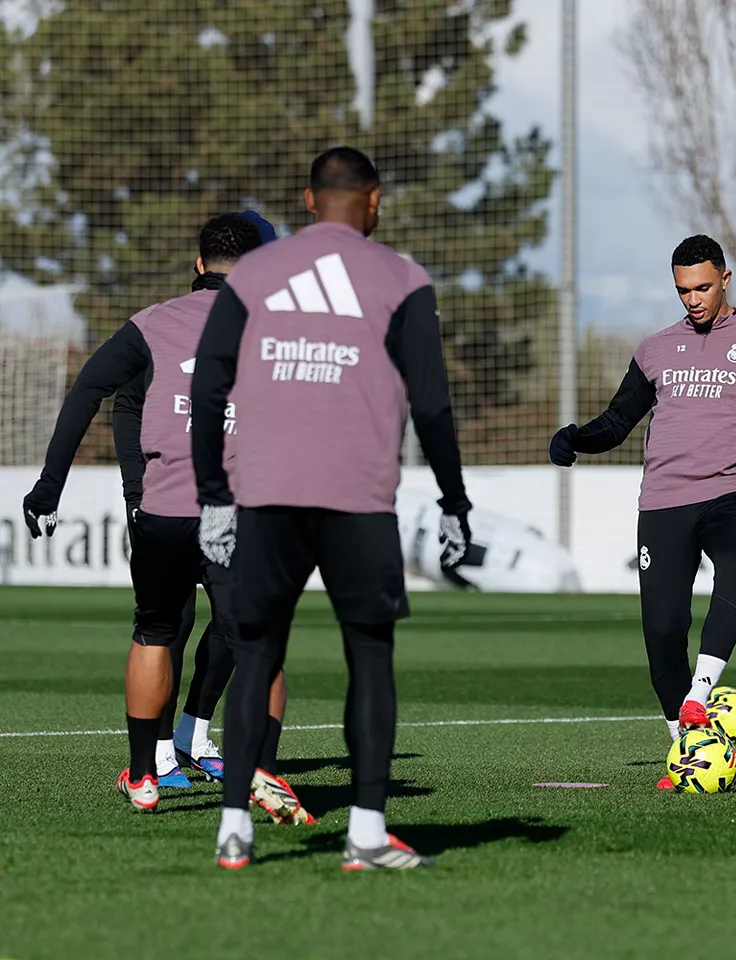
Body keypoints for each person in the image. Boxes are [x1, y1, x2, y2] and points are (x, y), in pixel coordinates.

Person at [191, 146, 471, 870]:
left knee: (255, 656)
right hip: (357, 499)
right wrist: (453, 497)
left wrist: (215, 496)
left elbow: (209, 390)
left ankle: (233, 832)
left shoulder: (252, 273)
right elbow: (433, 404)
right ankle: (367, 835)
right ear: (373, 200)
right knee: (369, 659)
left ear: (310, 201)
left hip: (267, 497)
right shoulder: (402, 278)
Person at [22, 212, 307, 823]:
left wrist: (49, 487)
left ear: (199, 264)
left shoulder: (149, 325)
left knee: (154, 632)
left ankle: (146, 775)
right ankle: (262, 764)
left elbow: (85, 394)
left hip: (164, 510)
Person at [550, 235, 736, 786]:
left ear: (725, 279)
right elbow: (617, 422)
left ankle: (701, 693)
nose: (693, 299)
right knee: (662, 633)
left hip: (732, 492)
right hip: (662, 502)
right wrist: (575, 438)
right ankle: (688, 747)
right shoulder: (655, 349)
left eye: (703, 287)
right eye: (684, 290)